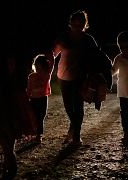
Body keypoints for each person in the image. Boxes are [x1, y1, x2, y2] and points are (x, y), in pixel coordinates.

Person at [52, 10, 99, 146]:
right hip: (63, 76)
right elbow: (54, 53)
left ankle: (76, 135)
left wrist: (96, 74)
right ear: (70, 23)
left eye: (80, 25)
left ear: (84, 24)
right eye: (74, 25)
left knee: (78, 106)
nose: (77, 28)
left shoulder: (88, 40)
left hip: (80, 77)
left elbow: (96, 57)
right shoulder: (63, 37)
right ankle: (73, 127)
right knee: (68, 106)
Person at [26, 53, 55, 143]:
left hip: (42, 99)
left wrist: (50, 54)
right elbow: (29, 89)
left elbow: (52, 64)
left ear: (44, 67)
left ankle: (38, 135)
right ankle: (33, 134)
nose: (38, 69)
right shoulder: (31, 76)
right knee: (33, 117)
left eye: (40, 67)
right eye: (37, 67)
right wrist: (26, 99)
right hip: (33, 99)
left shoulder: (46, 75)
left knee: (40, 117)